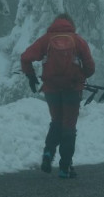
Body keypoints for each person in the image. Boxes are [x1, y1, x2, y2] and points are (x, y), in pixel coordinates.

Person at [21, 13, 95, 178]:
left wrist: (31, 76)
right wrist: (81, 76)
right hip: (72, 89)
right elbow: (90, 67)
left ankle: (48, 153)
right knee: (68, 125)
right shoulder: (77, 40)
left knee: (56, 121)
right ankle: (64, 167)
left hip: (52, 90)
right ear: (71, 24)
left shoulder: (46, 40)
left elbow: (25, 57)